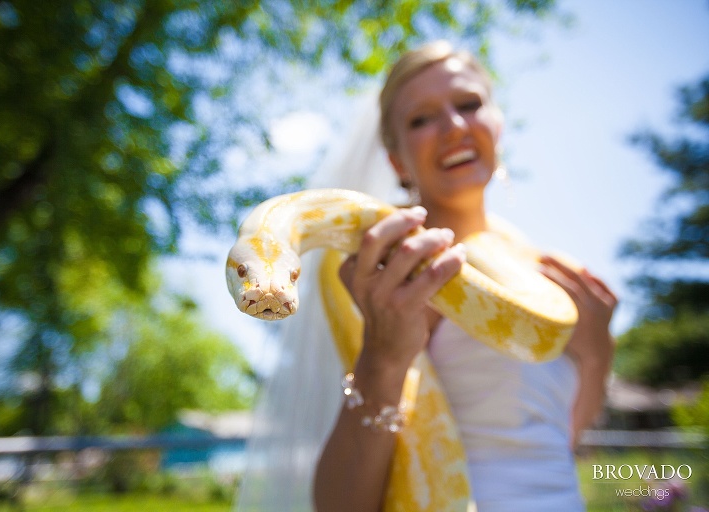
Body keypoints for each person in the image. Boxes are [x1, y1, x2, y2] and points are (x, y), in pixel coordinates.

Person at [234, 40, 617, 512]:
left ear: (498, 126)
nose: (454, 127)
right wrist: (382, 358)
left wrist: (598, 354)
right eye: (421, 118)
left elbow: (558, 441)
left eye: (469, 105)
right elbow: (339, 505)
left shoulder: (541, 277)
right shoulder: (384, 272)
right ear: (396, 161)